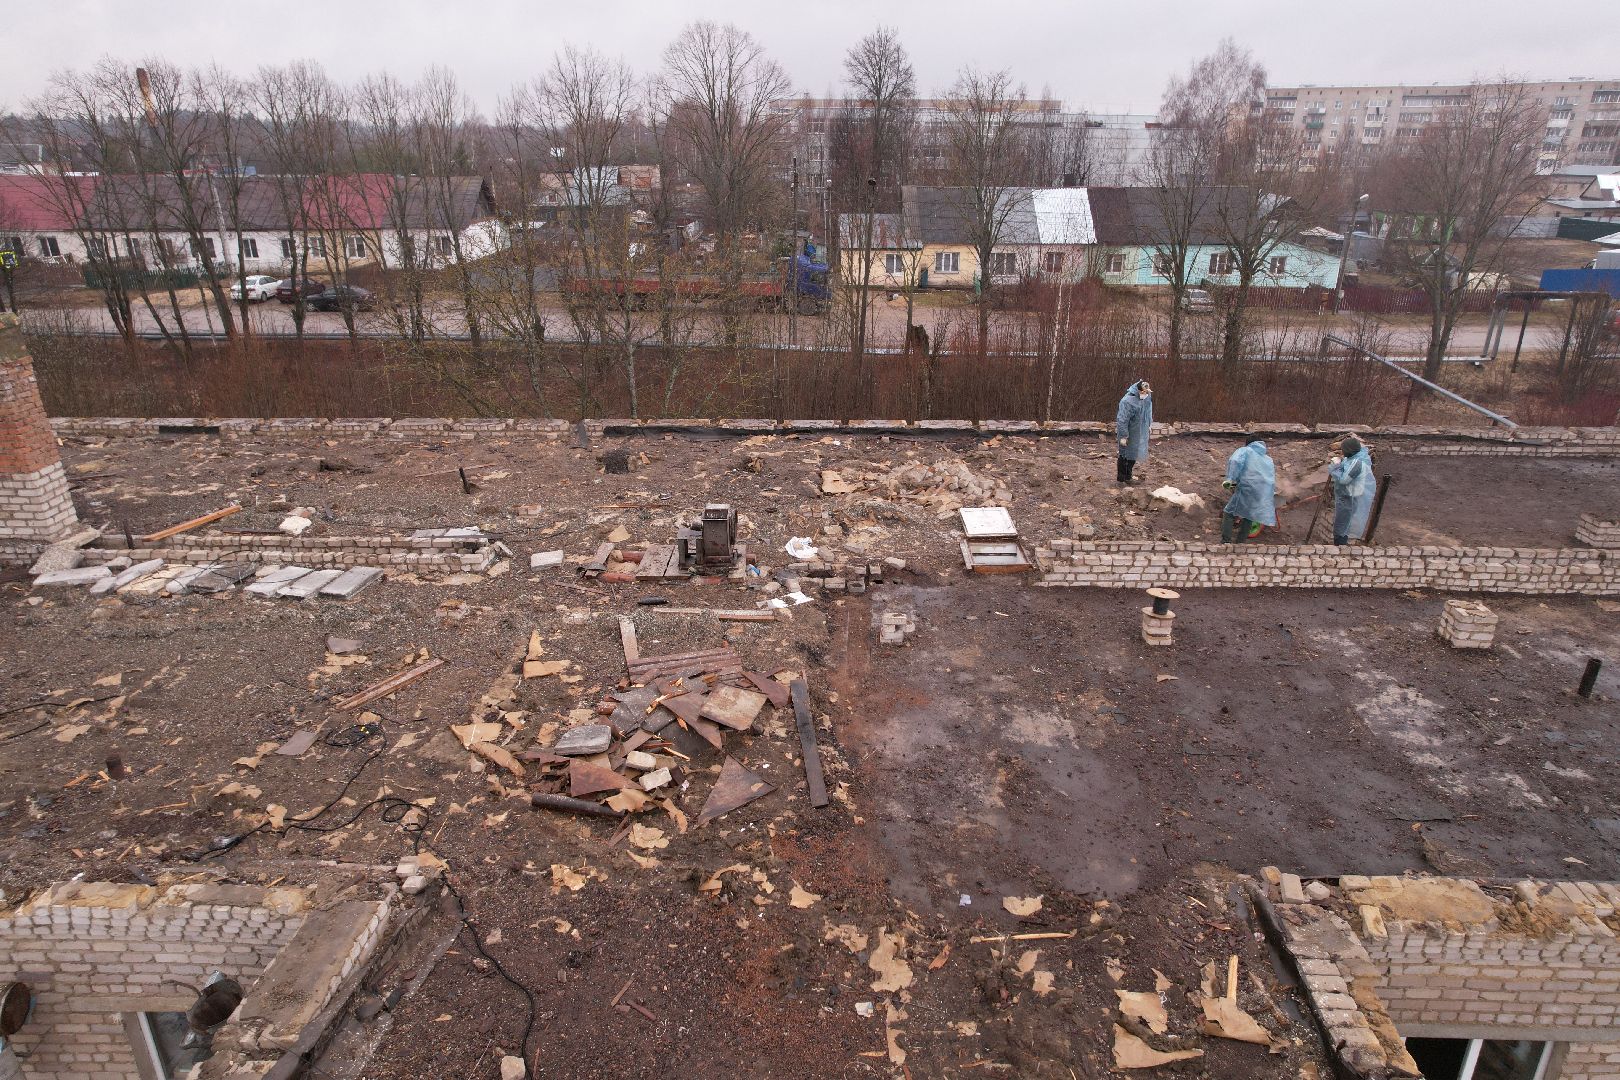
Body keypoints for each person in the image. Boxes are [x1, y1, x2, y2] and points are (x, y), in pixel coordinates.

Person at [1221, 436, 1277, 543]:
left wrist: (1230, 479)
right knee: (1249, 515)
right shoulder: (1268, 459)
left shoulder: (1245, 451)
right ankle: (1240, 542)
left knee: (1229, 513)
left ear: (1248, 444)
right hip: (1263, 491)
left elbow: (1235, 461)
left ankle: (1225, 541)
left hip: (1248, 488)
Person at [1327, 435, 1375, 546]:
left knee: (1342, 526)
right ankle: (1340, 544)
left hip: (1350, 497)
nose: (1342, 452)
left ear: (1349, 450)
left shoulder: (1357, 463)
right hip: (1346, 496)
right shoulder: (1352, 458)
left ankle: (1340, 547)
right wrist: (1340, 464)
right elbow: (1345, 469)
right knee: (1343, 524)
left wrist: (1336, 467)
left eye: (1344, 450)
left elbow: (1344, 480)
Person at [1114, 380, 1153, 485]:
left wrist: (1149, 425)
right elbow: (1122, 420)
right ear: (1137, 390)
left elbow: (1148, 413)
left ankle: (1128, 477)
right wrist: (1123, 436)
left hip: (1139, 432)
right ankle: (1121, 479)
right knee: (1124, 454)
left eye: (1146, 392)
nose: (1145, 394)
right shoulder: (1127, 401)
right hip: (1128, 431)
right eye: (1143, 392)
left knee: (1133, 454)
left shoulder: (1146, 399)